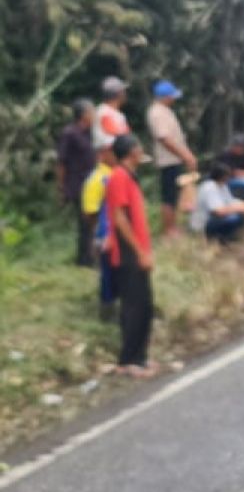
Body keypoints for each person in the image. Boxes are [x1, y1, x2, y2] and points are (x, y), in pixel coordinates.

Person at [105, 134, 157, 378]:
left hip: (138, 251)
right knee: (134, 306)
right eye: (139, 146)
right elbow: (119, 218)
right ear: (131, 152)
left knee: (145, 305)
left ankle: (140, 357)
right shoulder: (118, 177)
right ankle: (129, 361)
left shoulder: (129, 177)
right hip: (128, 253)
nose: (142, 150)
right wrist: (139, 252)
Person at [146, 80, 197, 236]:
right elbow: (165, 139)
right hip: (168, 160)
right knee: (169, 196)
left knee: (175, 194)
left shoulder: (165, 110)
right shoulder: (156, 113)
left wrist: (186, 154)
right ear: (164, 97)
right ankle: (168, 230)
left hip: (175, 159)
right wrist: (185, 155)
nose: (174, 99)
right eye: (171, 96)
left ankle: (174, 226)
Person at [57, 98, 97, 266]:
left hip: (91, 184)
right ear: (84, 115)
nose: (94, 114)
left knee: (92, 221)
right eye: (91, 111)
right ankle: (84, 260)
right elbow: (61, 162)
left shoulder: (90, 133)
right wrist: (61, 187)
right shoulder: (70, 133)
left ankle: (89, 257)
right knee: (85, 223)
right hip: (77, 184)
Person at [82, 144, 118, 321]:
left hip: (118, 234)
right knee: (107, 274)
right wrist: (100, 233)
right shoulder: (97, 179)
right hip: (104, 234)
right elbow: (90, 211)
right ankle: (107, 310)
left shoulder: (117, 174)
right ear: (103, 154)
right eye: (112, 152)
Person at [190, 162, 244, 242]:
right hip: (205, 223)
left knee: (241, 214)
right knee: (234, 218)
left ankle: (225, 236)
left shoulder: (222, 185)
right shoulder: (210, 188)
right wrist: (240, 209)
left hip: (214, 218)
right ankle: (216, 237)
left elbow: (230, 201)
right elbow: (218, 211)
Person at [93, 76, 130, 151]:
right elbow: (121, 137)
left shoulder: (115, 113)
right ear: (119, 93)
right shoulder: (104, 112)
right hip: (109, 159)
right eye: (123, 91)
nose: (125, 94)